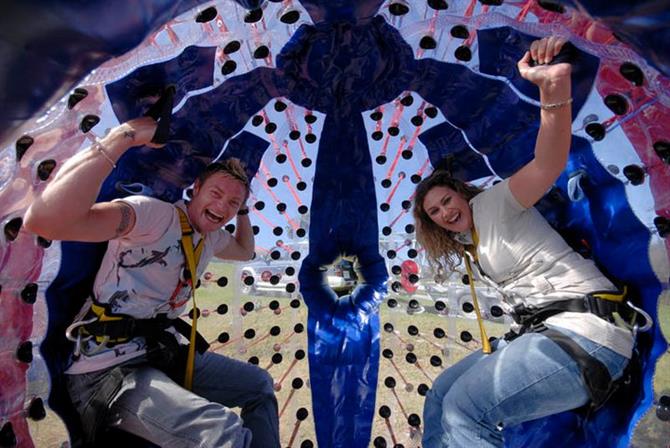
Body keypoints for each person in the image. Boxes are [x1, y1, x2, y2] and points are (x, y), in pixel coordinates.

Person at [413, 37, 635, 448]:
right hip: (543, 336)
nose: (444, 212)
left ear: (463, 194)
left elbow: (548, 163)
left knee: (464, 409)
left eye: (447, 200)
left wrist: (553, 90)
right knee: (441, 395)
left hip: (586, 339)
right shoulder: (471, 244)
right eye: (435, 212)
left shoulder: (499, 202)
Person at [24, 117, 280, 448]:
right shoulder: (152, 216)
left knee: (259, 386)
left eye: (232, 203)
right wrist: (123, 137)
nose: (222, 207)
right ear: (196, 189)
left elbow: (245, 250)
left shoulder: (212, 238)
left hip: (162, 353)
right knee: (222, 432)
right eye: (216, 193)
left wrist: (242, 210)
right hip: (107, 369)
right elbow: (46, 222)